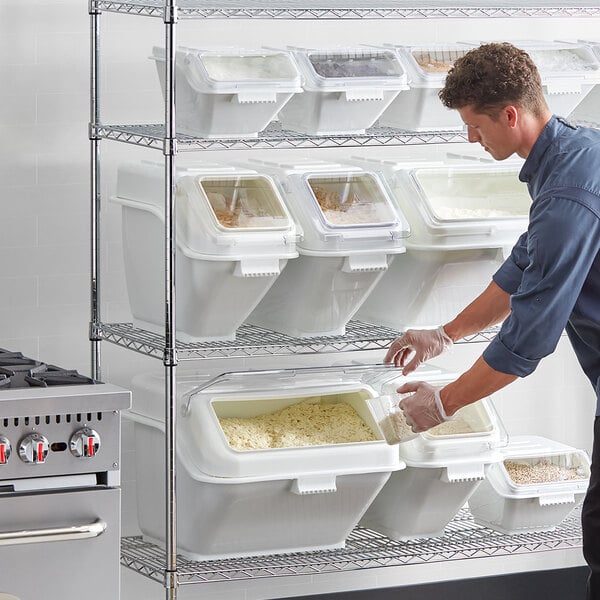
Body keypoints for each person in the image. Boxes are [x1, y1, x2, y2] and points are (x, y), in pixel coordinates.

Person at [383, 42, 600, 598]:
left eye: (475, 126)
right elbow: (522, 268)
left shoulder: (569, 197)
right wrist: (445, 334)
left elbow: (527, 341)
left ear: (510, 114)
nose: (470, 139)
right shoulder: (572, 155)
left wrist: (443, 403)